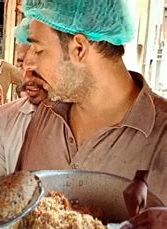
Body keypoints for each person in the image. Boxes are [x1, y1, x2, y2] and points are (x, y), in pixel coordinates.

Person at [17, 0, 167, 202]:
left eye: (38, 49)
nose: (28, 63)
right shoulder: (45, 113)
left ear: (79, 48)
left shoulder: (161, 138)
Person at [0, 19, 48, 181]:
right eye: (21, 65)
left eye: (37, 65)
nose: (27, 78)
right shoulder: (1, 121)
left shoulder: (84, 120)